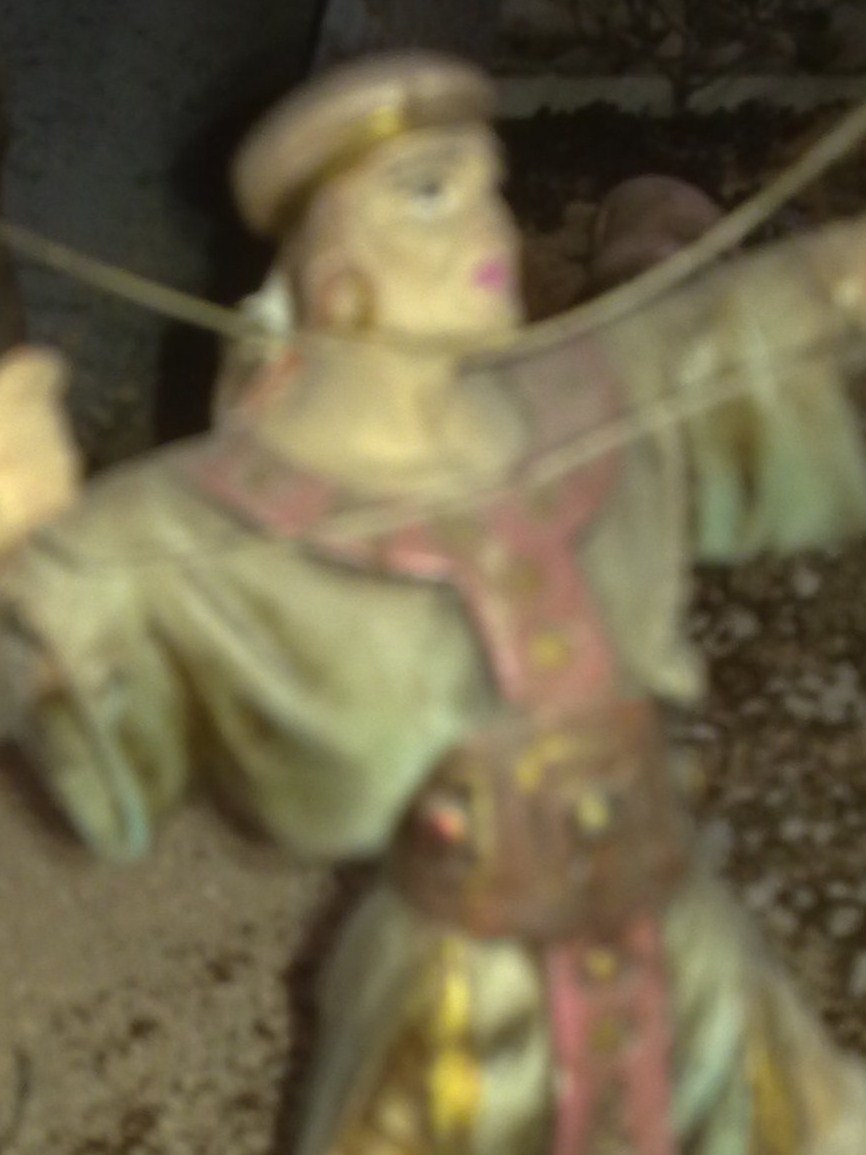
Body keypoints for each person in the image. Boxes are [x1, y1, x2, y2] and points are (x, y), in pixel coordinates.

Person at [2, 52, 866, 1154]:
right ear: (336, 274)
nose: (487, 227)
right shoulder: (237, 518)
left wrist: (833, 290)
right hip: (469, 1011)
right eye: (428, 196)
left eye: (484, 186)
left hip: (675, 938)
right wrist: (27, 550)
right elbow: (103, 703)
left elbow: (715, 352)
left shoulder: (569, 408)